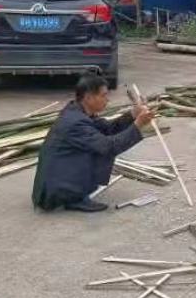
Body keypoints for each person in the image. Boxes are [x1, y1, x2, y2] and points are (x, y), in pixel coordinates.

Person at [32, 74, 155, 212]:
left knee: (98, 144)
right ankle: (72, 197)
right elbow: (109, 147)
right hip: (53, 189)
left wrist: (133, 114)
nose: (107, 100)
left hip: (58, 177)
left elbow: (107, 128)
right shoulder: (76, 122)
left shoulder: (77, 110)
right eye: (103, 95)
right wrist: (138, 125)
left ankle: (74, 193)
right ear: (89, 97)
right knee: (101, 149)